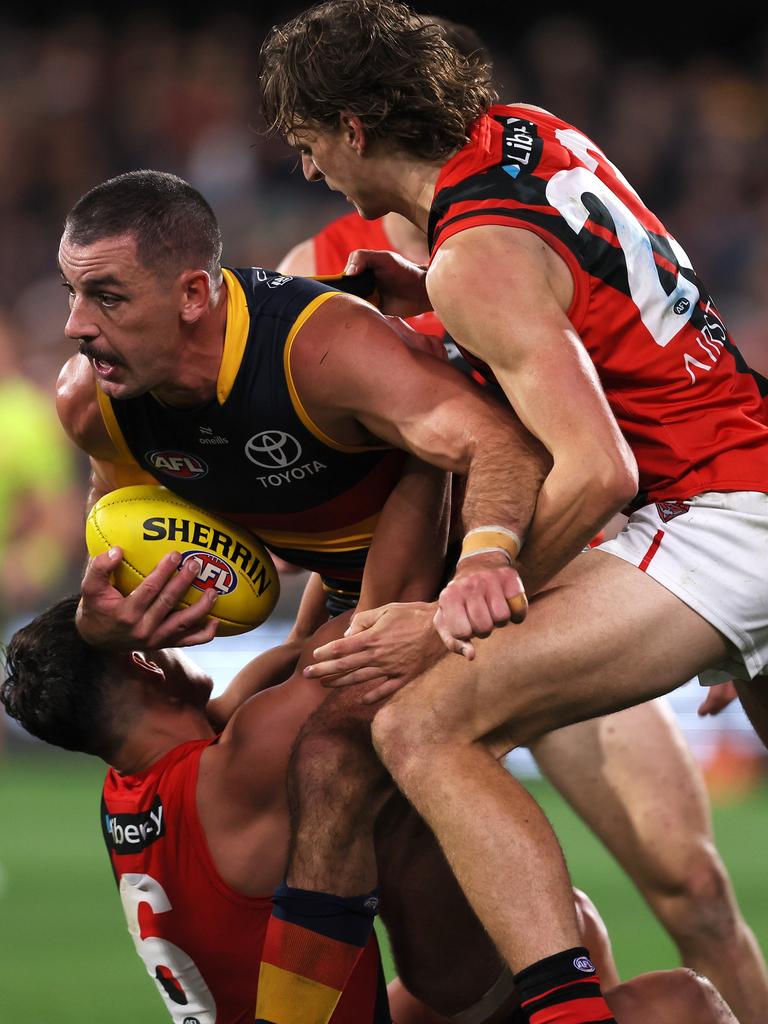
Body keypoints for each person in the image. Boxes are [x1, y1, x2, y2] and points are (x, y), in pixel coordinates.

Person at [258, 4, 768, 1023]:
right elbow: (573, 298)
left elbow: (598, 469)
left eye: (312, 145)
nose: (313, 172)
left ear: (355, 128)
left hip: (707, 515)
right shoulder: (529, 136)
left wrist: (454, 610)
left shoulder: (471, 256)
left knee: (424, 723)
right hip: (740, 468)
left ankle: (564, 1014)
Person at [0, 585, 743, 1024]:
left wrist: (296, 625)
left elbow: (286, 665)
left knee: (567, 920)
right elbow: (367, 631)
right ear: (142, 659)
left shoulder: (133, 792)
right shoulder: (244, 764)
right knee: (687, 1005)